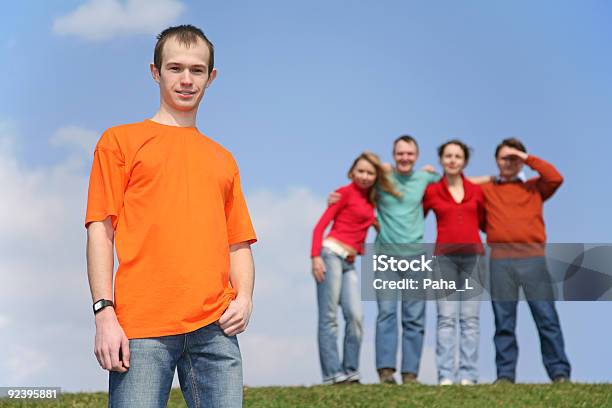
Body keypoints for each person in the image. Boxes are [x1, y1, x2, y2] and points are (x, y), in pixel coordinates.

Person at [85, 25, 257, 407]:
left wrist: (244, 298)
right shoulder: (119, 141)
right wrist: (104, 314)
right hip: (141, 327)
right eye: (175, 68)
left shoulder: (223, 159)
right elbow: (101, 230)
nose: (186, 79)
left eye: (197, 70)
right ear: (155, 72)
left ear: (211, 78)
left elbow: (238, 242)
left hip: (216, 329)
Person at [329, 135, 440, 384]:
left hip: (416, 257)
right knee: (386, 314)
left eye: (410, 153)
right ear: (393, 155)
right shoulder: (381, 178)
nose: (405, 158)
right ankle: (386, 371)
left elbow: (454, 183)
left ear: (417, 156)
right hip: (384, 256)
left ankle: (410, 374)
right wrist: (334, 198)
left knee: (414, 317)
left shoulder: (425, 177)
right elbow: (357, 190)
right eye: (400, 153)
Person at [479, 137, 571, 384]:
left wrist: (526, 158)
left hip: (533, 260)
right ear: (496, 161)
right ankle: (505, 375)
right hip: (500, 262)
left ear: (521, 161)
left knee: (546, 318)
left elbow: (556, 178)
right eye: (503, 158)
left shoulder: (534, 187)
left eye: (513, 158)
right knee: (503, 322)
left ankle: (559, 372)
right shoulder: (488, 190)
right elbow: (477, 213)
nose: (508, 163)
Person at [312, 151, 399, 385]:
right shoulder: (342, 193)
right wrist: (315, 257)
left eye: (370, 172)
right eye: (360, 171)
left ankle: (350, 371)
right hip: (330, 255)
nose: (365, 176)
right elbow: (319, 227)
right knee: (329, 317)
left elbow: (388, 170)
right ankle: (332, 374)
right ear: (352, 172)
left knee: (356, 317)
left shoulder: (372, 199)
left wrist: (381, 167)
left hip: (350, 262)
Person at [422, 140, 486, 386]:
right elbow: (414, 213)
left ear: (465, 161)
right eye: (448, 156)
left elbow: (484, 221)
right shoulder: (432, 191)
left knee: (470, 320)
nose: (452, 160)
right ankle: (446, 374)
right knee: (446, 318)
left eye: (457, 156)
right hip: (444, 259)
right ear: (440, 160)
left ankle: (469, 374)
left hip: (474, 258)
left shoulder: (477, 191)